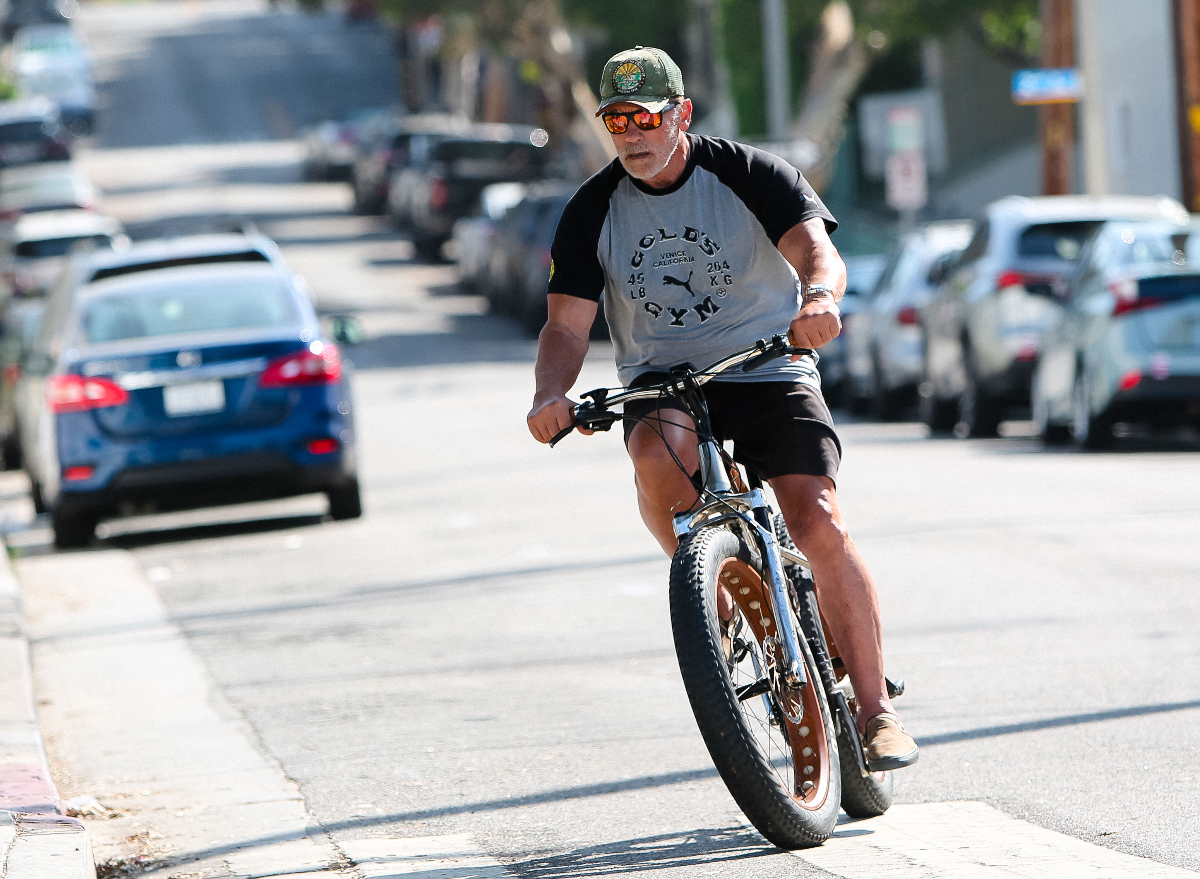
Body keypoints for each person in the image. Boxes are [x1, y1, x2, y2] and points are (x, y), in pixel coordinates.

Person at [526, 46, 918, 770]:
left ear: (682, 114)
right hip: (663, 380)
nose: (631, 134)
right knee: (653, 448)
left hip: (767, 362)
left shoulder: (748, 173)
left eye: (645, 116)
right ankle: (725, 580)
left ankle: (875, 709)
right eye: (617, 119)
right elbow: (565, 325)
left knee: (815, 517)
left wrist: (821, 298)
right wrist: (551, 392)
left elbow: (814, 251)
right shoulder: (591, 211)